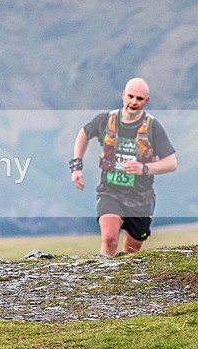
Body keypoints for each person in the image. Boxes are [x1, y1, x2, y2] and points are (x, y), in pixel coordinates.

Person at [70, 77, 176, 257]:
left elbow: (171, 163)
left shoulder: (152, 127)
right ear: (123, 96)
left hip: (141, 198)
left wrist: (143, 168)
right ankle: (104, 276)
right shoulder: (106, 120)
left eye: (139, 99)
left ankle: (123, 281)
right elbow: (83, 134)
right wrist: (76, 166)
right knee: (110, 238)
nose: (134, 102)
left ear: (146, 101)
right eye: (131, 96)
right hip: (110, 191)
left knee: (132, 251)